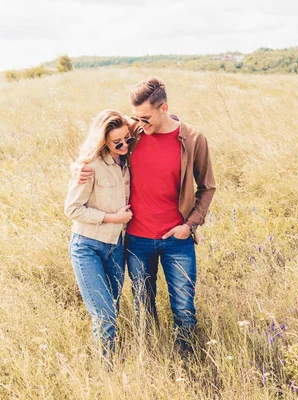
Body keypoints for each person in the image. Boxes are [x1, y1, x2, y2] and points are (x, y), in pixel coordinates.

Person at [77, 77, 216, 355]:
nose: (139, 123)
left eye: (145, 117)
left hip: (178, 239)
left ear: (163, 108)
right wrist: (76, 168)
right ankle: (152, 359)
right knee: (143, 308)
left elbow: (208, 187)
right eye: (135, 117)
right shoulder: (134, 132)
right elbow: (97, 147)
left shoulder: (193, 139)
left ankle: (187, 363)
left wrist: (189, 225)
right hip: (137, 241)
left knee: (184, 309)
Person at [64, 109, 136, 363]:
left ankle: (109, 358)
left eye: (128, 138)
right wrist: (112, 218)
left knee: (112, 309)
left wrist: (128, 125)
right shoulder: (90, 166)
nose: (125, 144)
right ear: (103, 141)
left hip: (116, 247)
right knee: (104, 313)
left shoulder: (128, 158)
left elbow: (145, 119)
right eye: (118, 142)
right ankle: (107, 372)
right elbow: (72, 209)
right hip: (88, 247)